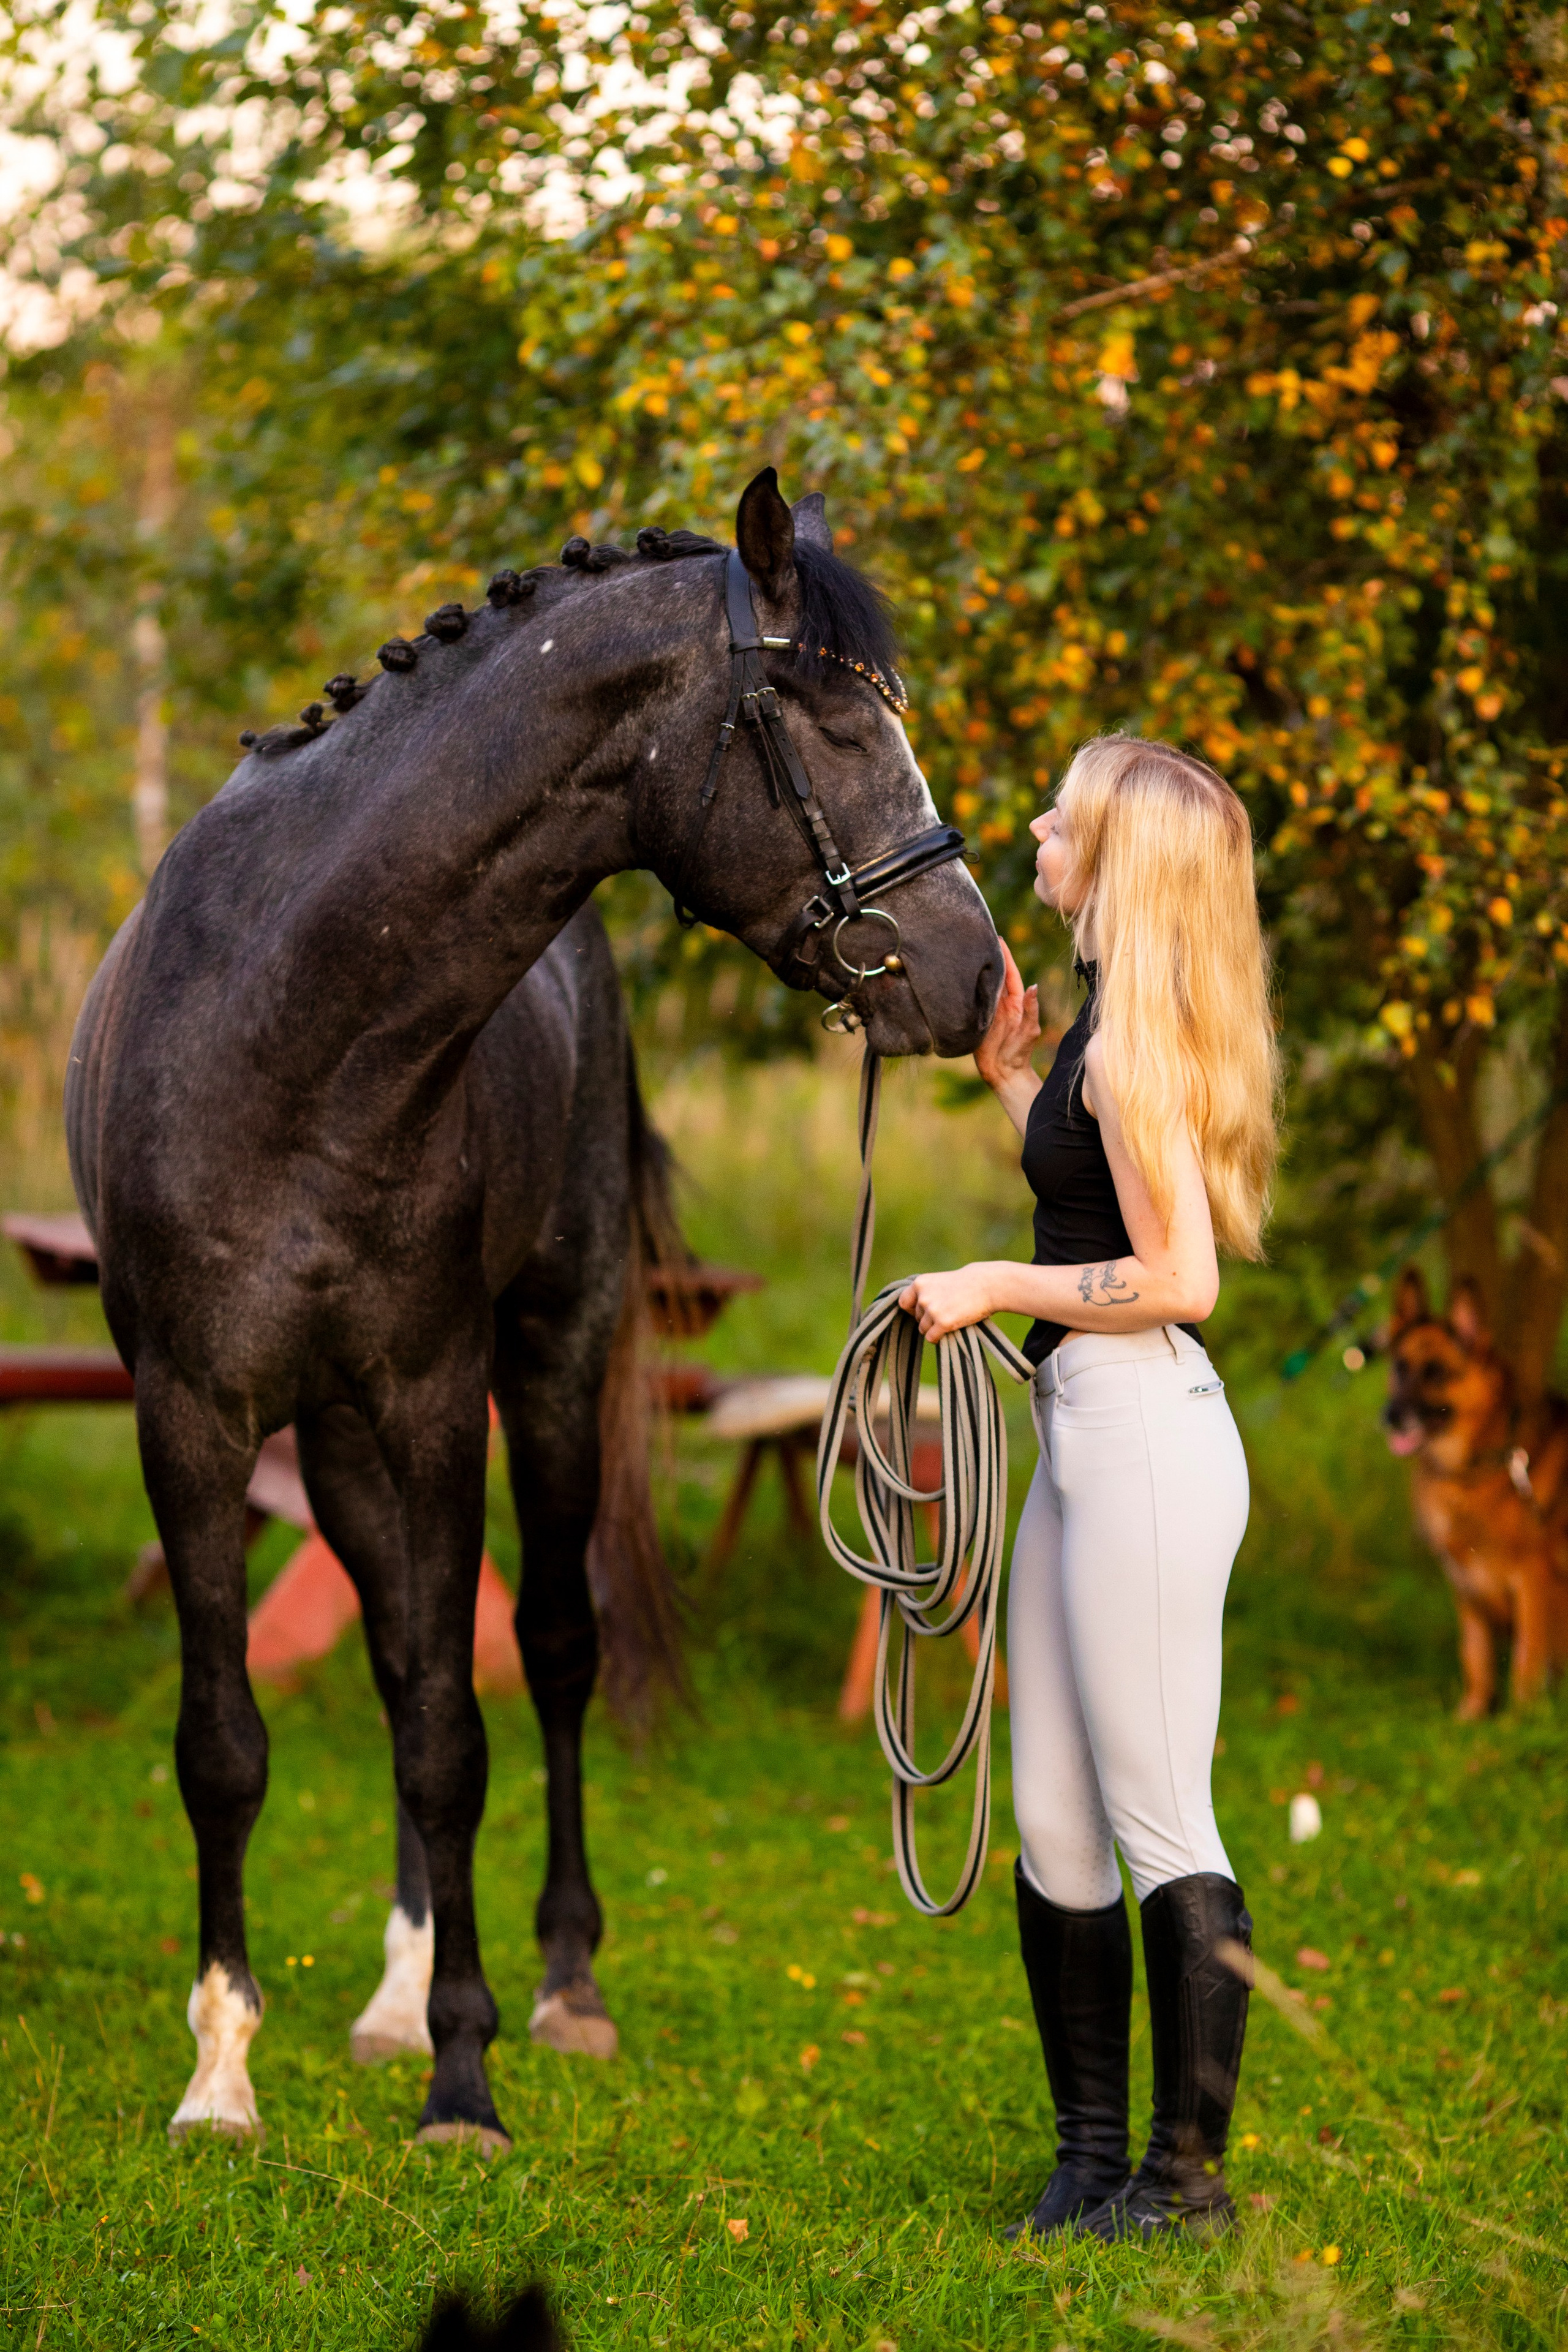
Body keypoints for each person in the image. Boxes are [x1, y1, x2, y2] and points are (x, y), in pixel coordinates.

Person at [899, 734, 1280, 2242]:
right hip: (1085, 1433)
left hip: (1143, 1444)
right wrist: (1009, 1087)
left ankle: (1183, 2189)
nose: (1039, 825)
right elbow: (1096, 1205)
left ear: (1116, 856)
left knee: (1155, 1816)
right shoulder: (1104, 1036)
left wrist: (995, 1278)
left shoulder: (1130, 1050)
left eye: (1065, 811)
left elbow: (1177, 1277)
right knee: (1052, 1819)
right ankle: (1087, 2164)